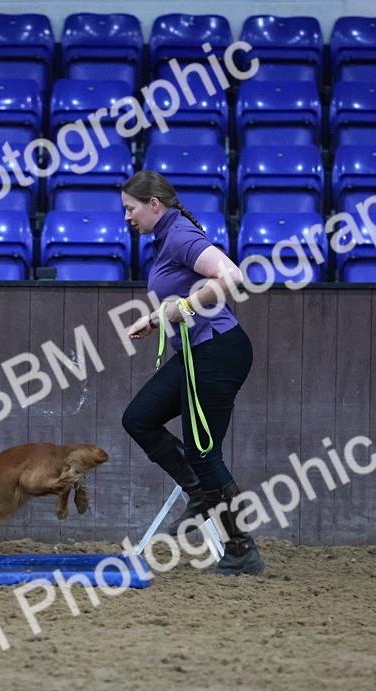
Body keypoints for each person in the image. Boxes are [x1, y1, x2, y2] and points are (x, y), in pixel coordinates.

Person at [120, 170, 264, 575]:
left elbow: (232, 276)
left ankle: (241, 548)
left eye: (130, 208)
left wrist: (181, 307)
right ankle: (199, 492)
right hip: (198, 353)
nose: (127, 217)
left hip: (218, 351)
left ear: (154, 205)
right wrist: (154, 319)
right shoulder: (166, 238)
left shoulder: (180, 235)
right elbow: (181, 296)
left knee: (204, 453)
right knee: (139, 418)